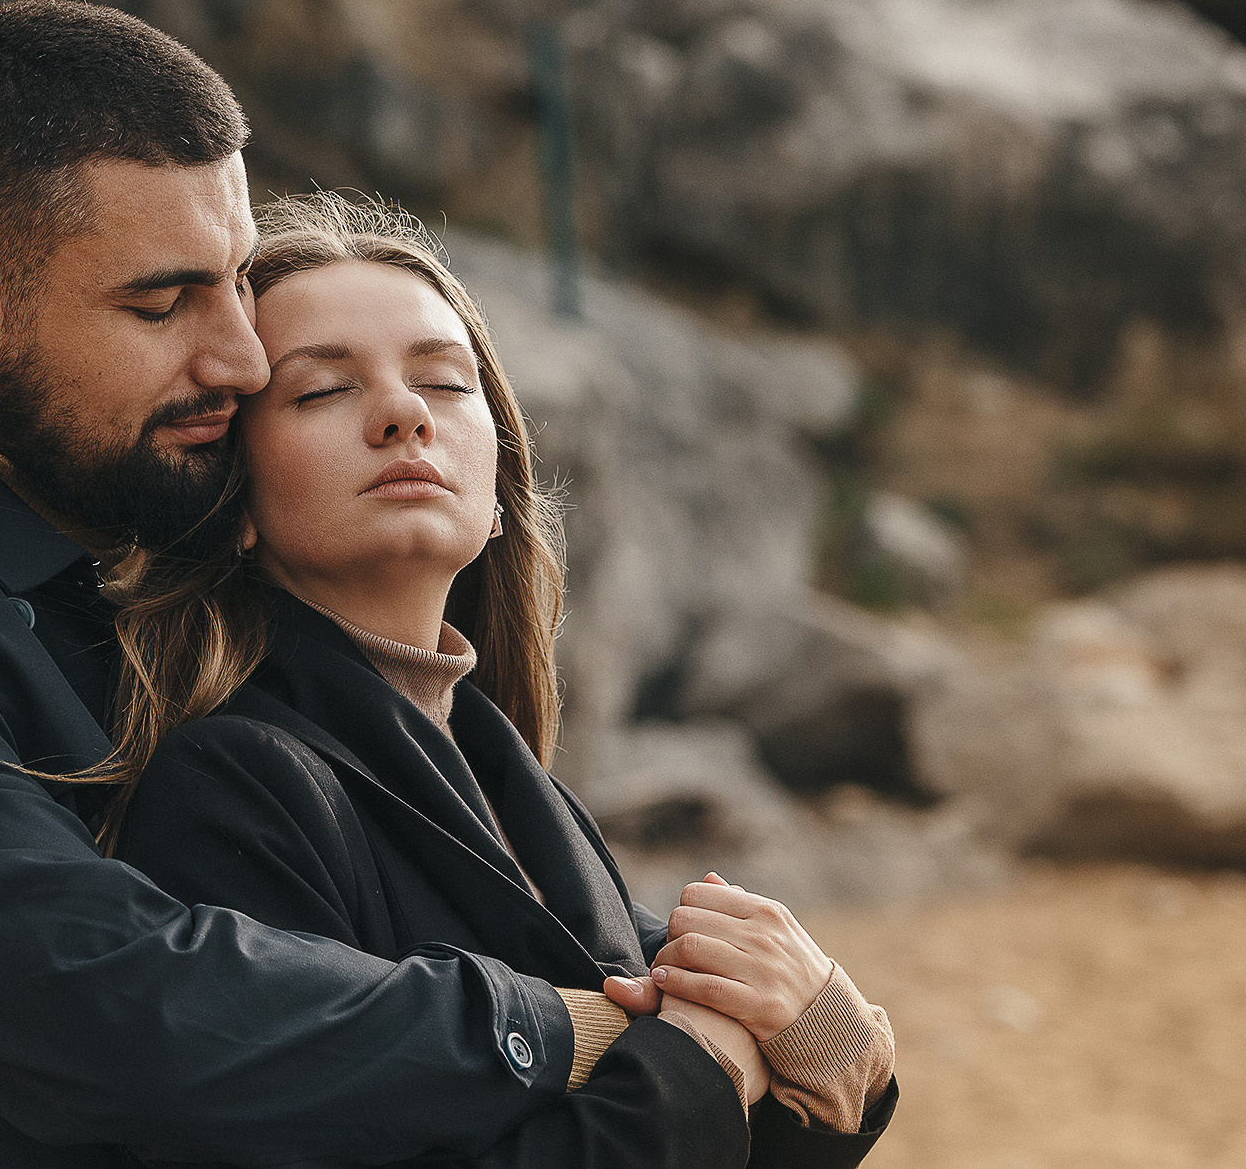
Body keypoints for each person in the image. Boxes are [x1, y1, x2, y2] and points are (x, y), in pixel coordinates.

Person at [0, 0, 765, 1169]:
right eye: (159, 303)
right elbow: (136, 1017)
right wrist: (581, 1028)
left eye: (237, 282)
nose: (240, 357)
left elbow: (462, 881)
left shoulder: (151, 538)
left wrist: (764, 1011)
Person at [94, 194, 897, 1168]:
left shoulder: (509, 774)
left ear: (497, 495)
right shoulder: (229, 785)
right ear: (233, 504)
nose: (401, 414)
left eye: (442, 380)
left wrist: (837, 1048)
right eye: (317, 392)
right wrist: (705, 1061)